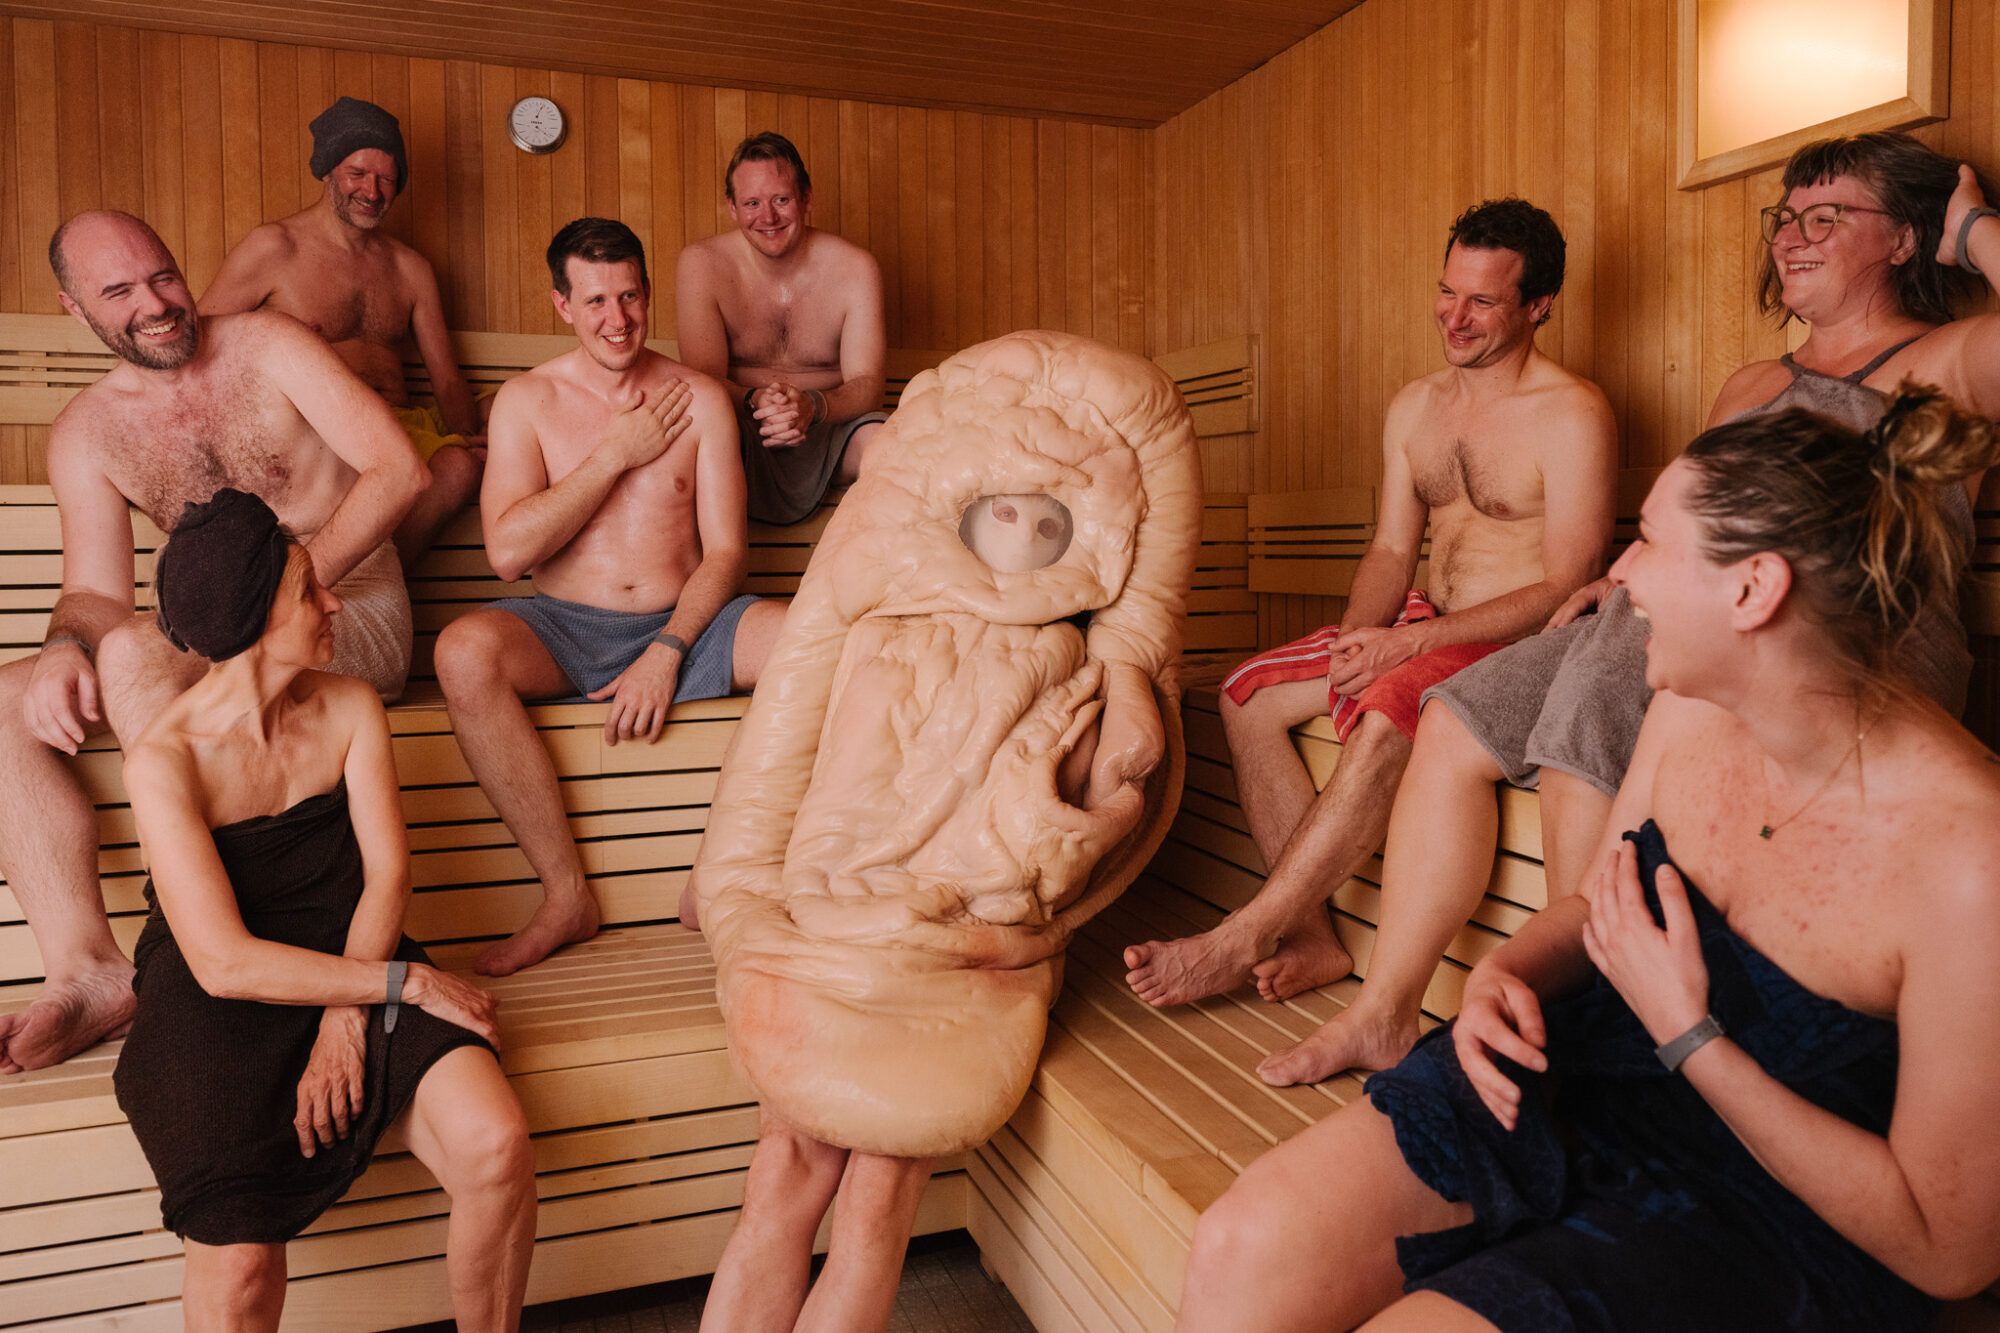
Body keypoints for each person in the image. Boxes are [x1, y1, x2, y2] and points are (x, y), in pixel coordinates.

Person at [1174, 390, 2000, 1333]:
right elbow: (1595, 904)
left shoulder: (1967, 862)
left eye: (1648, 541)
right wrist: (1504, 970)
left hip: (1758, 1207)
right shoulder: (1689, 704)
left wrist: (1691, 1036)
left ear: (1753, 590)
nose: (1622, 571)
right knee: (1243, 1245)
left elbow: (1947, 1251)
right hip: (1581, 1066)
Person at [1272, 132, 2000, 1089]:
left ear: (1905, 238)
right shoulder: (1753, 384)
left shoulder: (1951, 360)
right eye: (1786, 217)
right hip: (1674, 619)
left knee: (1591, 705)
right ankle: (1384, 1011)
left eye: (1827, 217)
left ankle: (1585, 1025)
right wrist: (1624, 575)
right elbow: (1697, 520)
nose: (1792, 236)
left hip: (1851, 645)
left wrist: (1973, 230)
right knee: (1451, 718)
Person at [1123, 199, 1618, 1018]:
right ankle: (1313, 934)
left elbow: (1568, 583)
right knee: (1245, 696)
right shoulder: (1416, 406)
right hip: (1425, 621)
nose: (1454, 317)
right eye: (1447, 291)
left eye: (1482, 301)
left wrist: (1408, 647)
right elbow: (1392, 548)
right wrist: (1363, 636)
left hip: (1518, 638)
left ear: (1539, 306)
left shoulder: (1572, 413)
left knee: (1391, 710)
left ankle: (1245, 934)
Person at [0, 211, 426, 1074]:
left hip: (345, 605)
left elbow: (399, 468)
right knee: (13, 700)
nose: (156, 303)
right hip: (225, 636)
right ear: (76, 308)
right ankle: (89, 967)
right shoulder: (87, 431)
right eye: (120, 291)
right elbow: (95, 594)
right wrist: (62, 648)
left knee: (131, 655)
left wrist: (285, 591)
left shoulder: (269, 346)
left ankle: (210, 933)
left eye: (163, 276)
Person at [116, 487, 535, 1331]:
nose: (334, 602)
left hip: (355, 948)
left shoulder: (350, 706)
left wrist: (350, 1013)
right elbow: (223, 961)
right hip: (220, 998)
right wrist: (407, 984)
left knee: (495, 1144)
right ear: (254, 620)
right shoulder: (166, 759)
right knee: (241, 1265)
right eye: (308, 589)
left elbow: (388, 877)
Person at [434, 218, 787, 977]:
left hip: (689, 623)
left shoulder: (699, 399)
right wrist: (613, 455)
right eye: (595, 300)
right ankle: (565, 896)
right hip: (564, 628)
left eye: (629, 296)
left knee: (820, 644)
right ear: (562, 304)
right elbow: (507, 553)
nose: (617, 319)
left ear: (648, 293)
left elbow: (727, 553)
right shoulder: (527, 401)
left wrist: (668, 649)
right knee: (462, 652)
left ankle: (717, 870)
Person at [200, 96, 487, 567]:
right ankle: (352, 581)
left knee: (459, 467)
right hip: (315, 430)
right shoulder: (275, 248)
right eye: (358, 173)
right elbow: (202, 345)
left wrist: (467, 434)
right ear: (328, 171)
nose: (372, 191)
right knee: (357, 474)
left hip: (398, 426)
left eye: (386, 178)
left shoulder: (411, 268)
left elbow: (447, 378)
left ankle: (373, 576)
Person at [675, 131, 891, 525]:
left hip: (829, 430)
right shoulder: (702, 265)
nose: (768, 217)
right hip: (738, 431)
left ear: (806, 198)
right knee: (678, 438)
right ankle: (718, 561)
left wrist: (813, 405)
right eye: (752, 203)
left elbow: (868, 384)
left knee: (890, 446)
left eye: (781, 200)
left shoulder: (855, 268)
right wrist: (755, 400)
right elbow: (704, 379)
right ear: (732, 207)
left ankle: (872, 565)